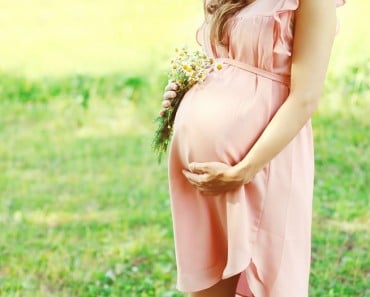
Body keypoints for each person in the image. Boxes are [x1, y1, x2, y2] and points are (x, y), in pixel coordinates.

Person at [161, 0, 345, 296]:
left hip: (261, 163)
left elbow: (306, 97)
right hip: (203, 175)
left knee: (265, 280)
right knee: (207, 285)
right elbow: (227, 63)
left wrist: (243, 170)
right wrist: (186, 90)